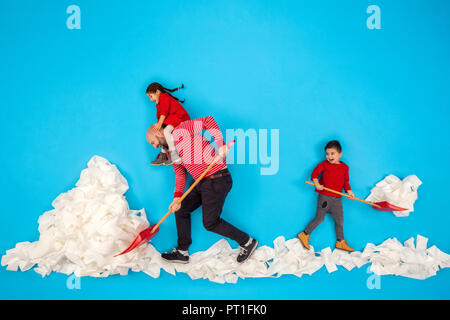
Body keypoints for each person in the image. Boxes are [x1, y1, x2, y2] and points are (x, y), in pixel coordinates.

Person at [146, 116, 258, 263]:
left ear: (159, 133)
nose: (154, 146)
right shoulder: (170, 152)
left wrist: (221, 144)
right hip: (201, 183)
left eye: (153, 142)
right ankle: (182, 252)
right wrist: (177, 198)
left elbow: (208, 121)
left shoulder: (181, 130)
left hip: (217, 178)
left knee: (210, 223)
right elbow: (180, 174)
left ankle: (247, 242)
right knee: (180, 209)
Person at [297, 140, 356, 252]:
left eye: (332, 153)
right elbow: (314, 174)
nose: (329, 156)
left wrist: (350, 192)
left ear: (340, 154)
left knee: (340, 221)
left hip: (337, 200)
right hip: (325, 197)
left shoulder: (345, 167)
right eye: (327, 153)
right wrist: (317, 184)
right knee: (320, 218)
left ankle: (340, 242)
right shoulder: (324, 164)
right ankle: (304, 234)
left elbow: (346, 183)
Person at [146, 82, 190, 165]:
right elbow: (159, 116)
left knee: (166, 131)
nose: (150, 99)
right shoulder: (158, 105)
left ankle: (174, 155)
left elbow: (164, 112)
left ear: (158, 92)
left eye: (151, 96)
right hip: (172, 119)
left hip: (180, 118)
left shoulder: (164, 96)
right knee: (162, 135)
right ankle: (163, 155)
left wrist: (160, 123)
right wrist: (158, 125)